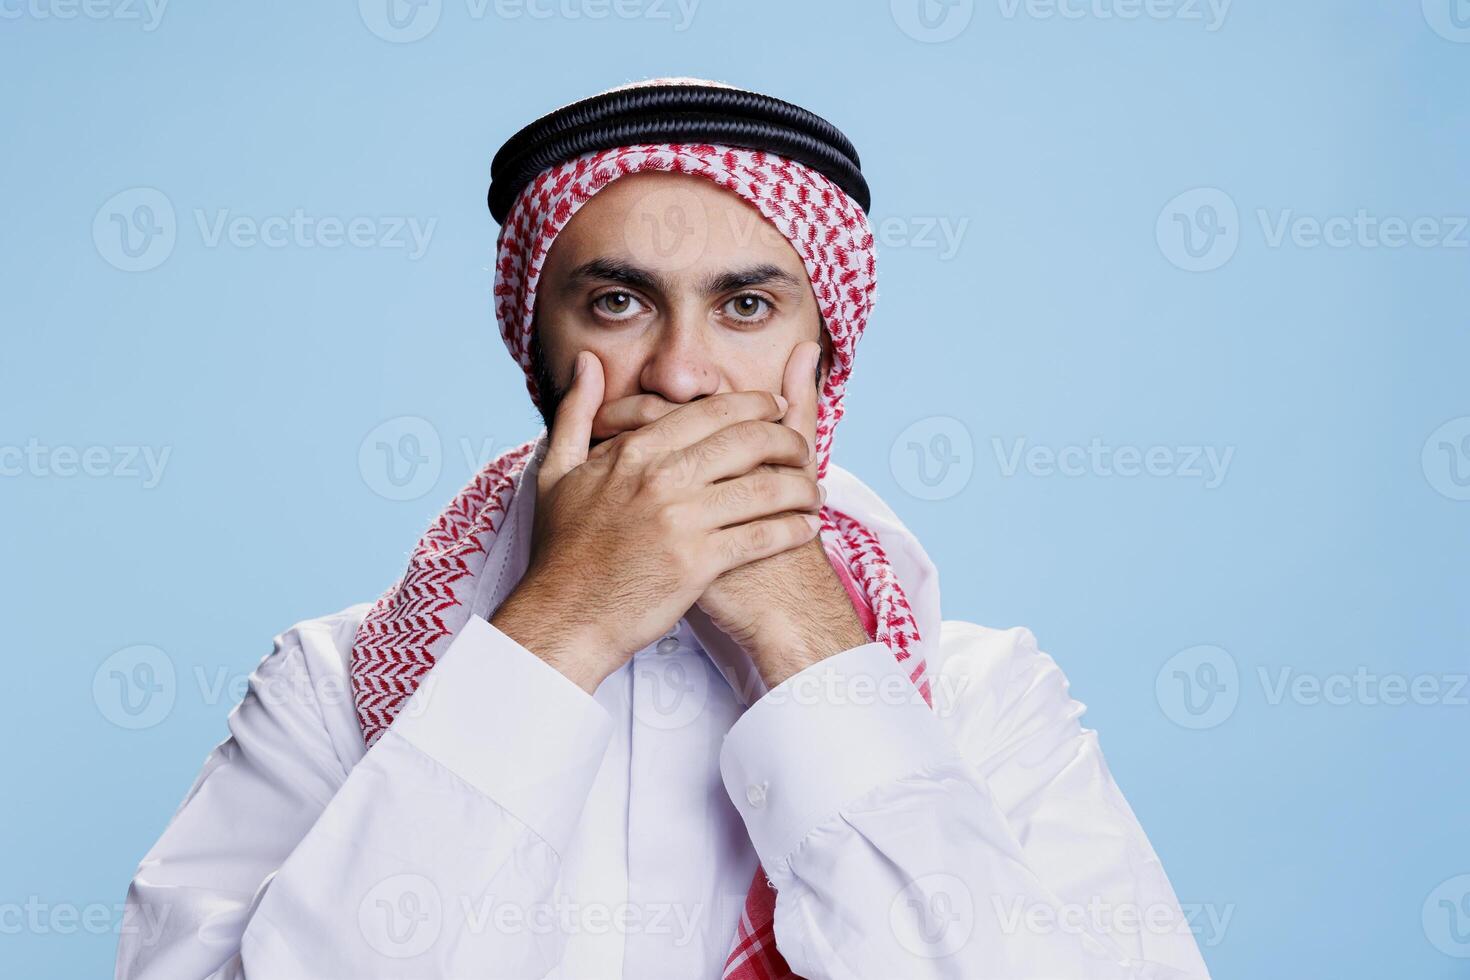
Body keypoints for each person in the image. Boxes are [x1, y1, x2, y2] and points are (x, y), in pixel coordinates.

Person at [116, 77, 1212, 979]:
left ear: (826, 352)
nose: (683, 374)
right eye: (619, 302)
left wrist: (807, 642)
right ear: (533, 346)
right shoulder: (333, 683)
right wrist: (561, 627)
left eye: (745, 307)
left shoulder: (984, 701)